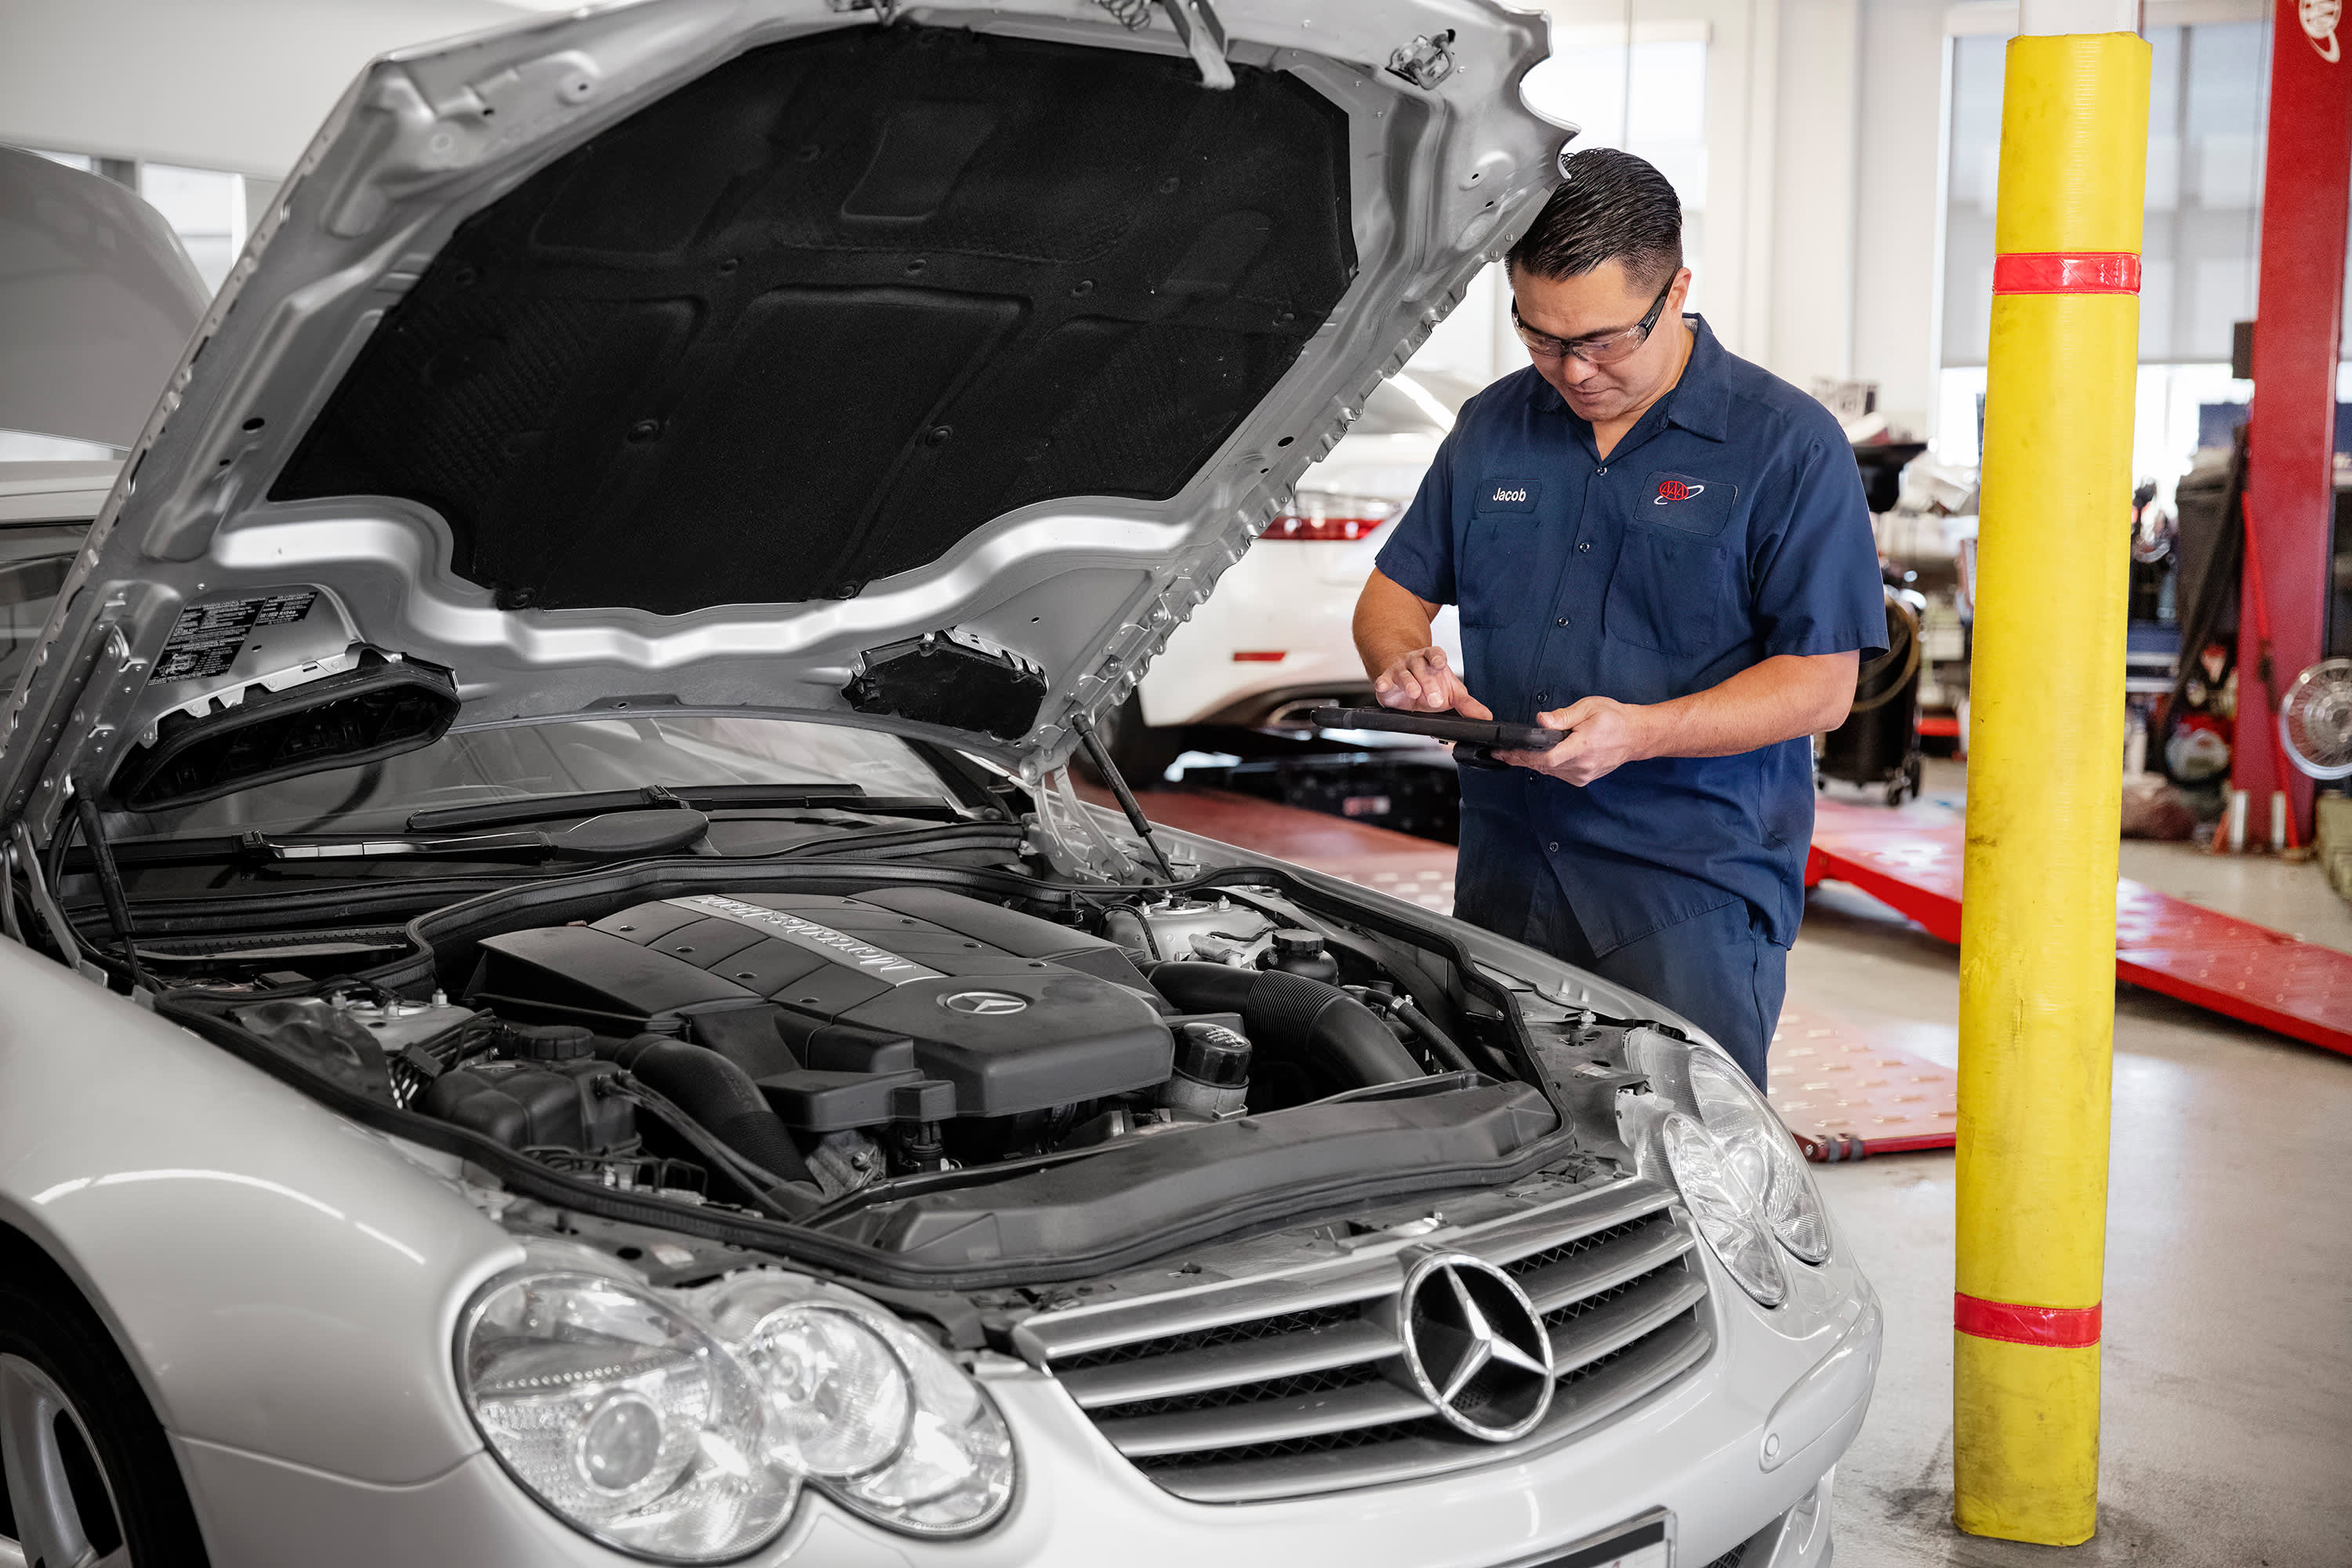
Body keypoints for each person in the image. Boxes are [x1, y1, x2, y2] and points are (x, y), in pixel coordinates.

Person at [1352, 147, 1885, 1088]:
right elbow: (1393, 597)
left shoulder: (1786, 447)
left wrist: (1640, 733)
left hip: (1687, 896)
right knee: (1509, 1165)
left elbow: (1821, 686)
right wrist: (1406, 665)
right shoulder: (1493, 425)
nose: (1573, 370)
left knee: (1685, 1175)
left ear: (1675, 290)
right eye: (1541, 338)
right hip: (1505, 875)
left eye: (1602, 341)